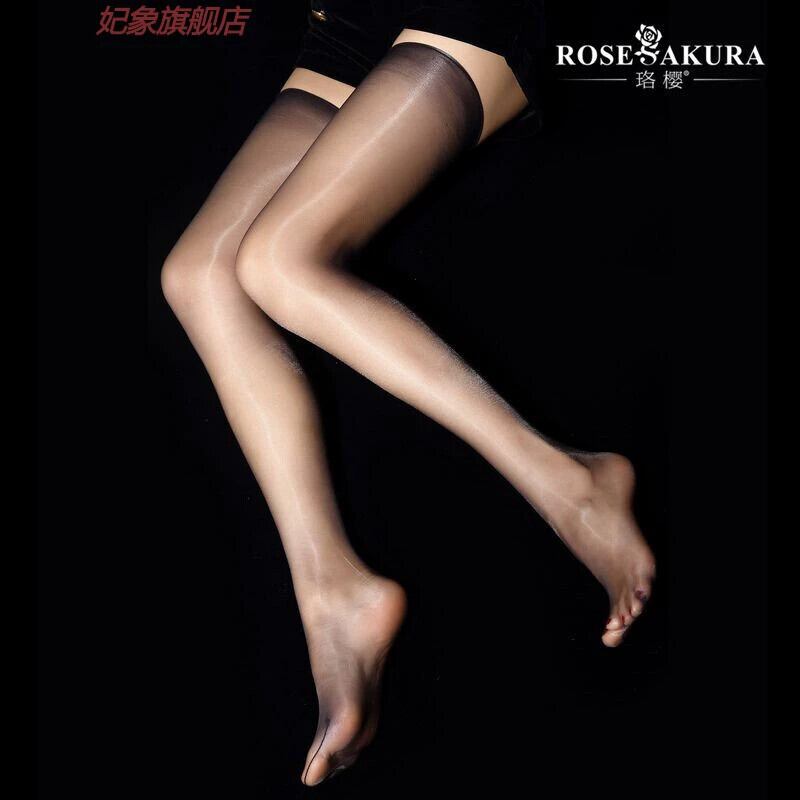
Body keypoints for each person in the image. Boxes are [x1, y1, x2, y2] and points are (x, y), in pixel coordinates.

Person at [160, 0, 655, 786]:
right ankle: (333, 590)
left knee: (282, 261)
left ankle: (571, 484)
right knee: (200, 277)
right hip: (351, 20)